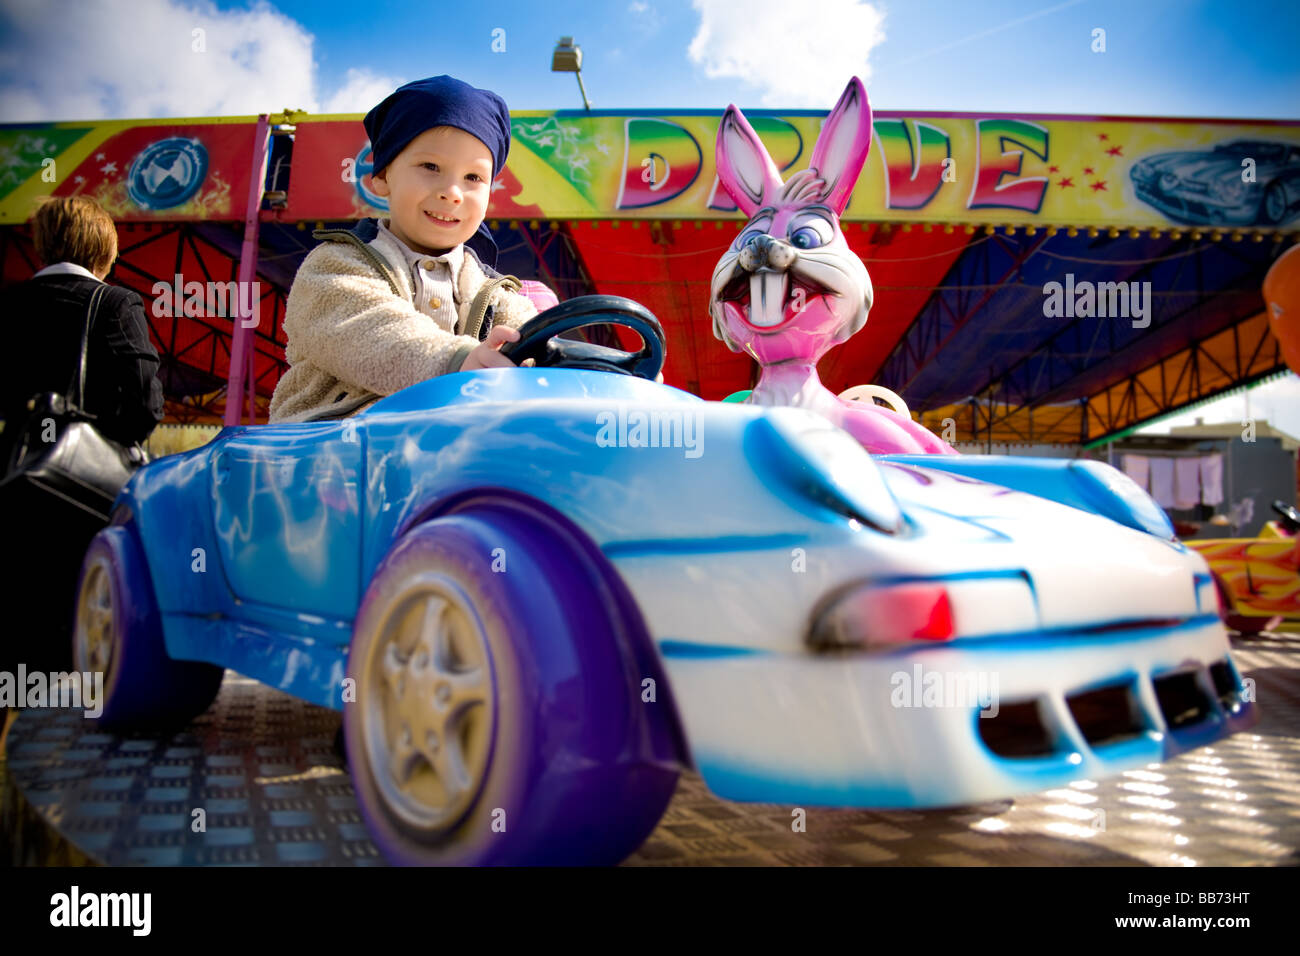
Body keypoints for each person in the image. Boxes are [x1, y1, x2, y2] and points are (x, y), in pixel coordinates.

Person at [269, 75, 554, 423]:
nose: (452, 192)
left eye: (473, 178)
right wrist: (456, 360)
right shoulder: (335, 265)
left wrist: (545, 364)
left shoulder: (496, 295)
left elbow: (531, 347)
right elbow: (366, 332)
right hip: (327, 444)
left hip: (442, 452)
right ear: (383, 176)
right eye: (430, 167)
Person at [0, 195, 164, 675]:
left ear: (44, 244)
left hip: (11, 478)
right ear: (104, 250)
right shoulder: (113, 303)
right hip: (80, 497)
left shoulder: (8, 304)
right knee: (76, 635)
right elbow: (143, 407)